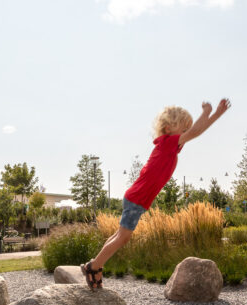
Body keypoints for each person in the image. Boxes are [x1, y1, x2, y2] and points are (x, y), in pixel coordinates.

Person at [81, 98, 231, 289]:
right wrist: (208, 112)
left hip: (136, 198)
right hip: (136, 198)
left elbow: (197, 131)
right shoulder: (167, 143)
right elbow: (196, 131)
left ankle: (95, 265)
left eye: (186, 130)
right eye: (183, 130)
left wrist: (216, 114)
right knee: (123, 237)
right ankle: (93, 267)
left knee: (121, 234)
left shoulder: (172, 146)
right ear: (168, 129)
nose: (187, 134)